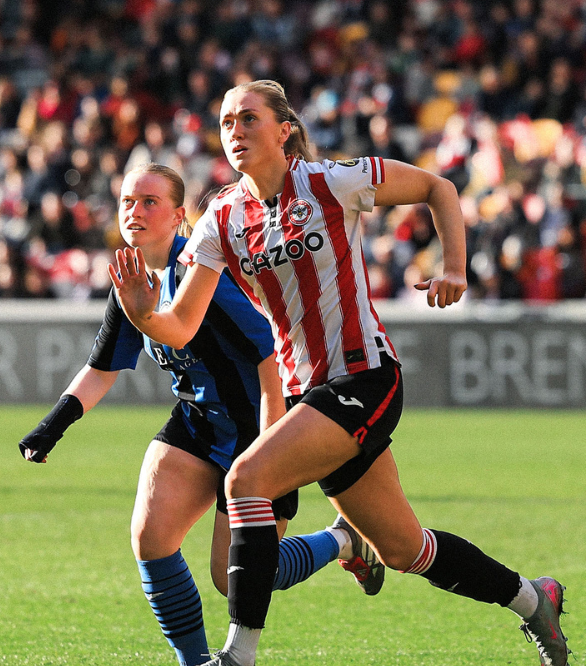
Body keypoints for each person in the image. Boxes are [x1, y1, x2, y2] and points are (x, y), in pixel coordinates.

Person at [110, 81, 571, 666]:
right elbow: (178, 326)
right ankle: (535, 601)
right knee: (406, 550)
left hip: (364, 378)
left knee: (244, 481)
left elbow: (438, 187)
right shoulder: (221, 218)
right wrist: (139, 311)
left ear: (283, 130)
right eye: (226, 122)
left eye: (248, 119)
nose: (234, 132)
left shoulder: (333, 181)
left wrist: (454, 266)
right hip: (310, 398)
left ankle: (237, 655)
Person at [20, 164, 384, 666]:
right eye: (128, 201)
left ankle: (344, 539)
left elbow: (271, 353)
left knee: (234, 575)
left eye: (150, 201)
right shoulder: (132, 283)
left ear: (178, 216)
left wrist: (271, 441)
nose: (136, 210)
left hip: (257, 426)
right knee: (150, 538)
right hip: (197, 421)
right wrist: (52, 426)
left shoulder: (202, 271)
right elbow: (101, 368)